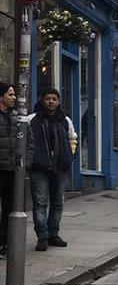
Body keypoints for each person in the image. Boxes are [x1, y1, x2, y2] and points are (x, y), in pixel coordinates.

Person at [26, 89, 76, 251]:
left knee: (58, 202)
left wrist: (70, 156)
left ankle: (53, 233)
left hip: (60, 168)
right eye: (47, 98)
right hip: (39, 169)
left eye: (54, 99)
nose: (51, 102)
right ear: (42, 100)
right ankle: (42, 237)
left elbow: (72, 138)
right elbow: (26, 142)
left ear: (59, 101)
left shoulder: (65, 120)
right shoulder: (31, 120)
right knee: (40, 203)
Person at [0, 83, 24, 256]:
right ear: (1, 97)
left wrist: (23, 163)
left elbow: (26, 142)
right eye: (10, 95)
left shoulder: (17, 117)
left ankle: (5, 244)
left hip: (11, 170)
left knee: (9, 209)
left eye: (14, 94)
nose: (14, 97)